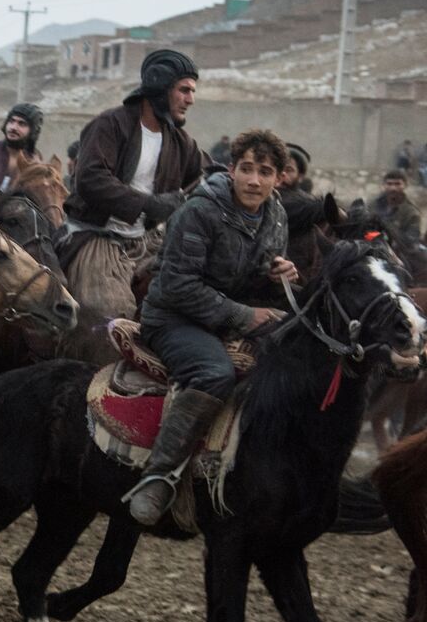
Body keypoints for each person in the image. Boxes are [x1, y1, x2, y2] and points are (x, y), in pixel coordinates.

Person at [124, 130, 294, 525]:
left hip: (228, 313)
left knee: (300, 346)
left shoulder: (276, 214)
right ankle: (159, 474)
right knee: (213, 373)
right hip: (173, 318)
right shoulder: (200, 211)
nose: (254, 180)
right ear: (231, 169)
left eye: (264, 172)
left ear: (279, 177)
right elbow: (179, 285)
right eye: (247, 169)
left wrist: (279, 275)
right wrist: (244, 316)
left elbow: (254, 275)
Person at [62, 49, 204, 319]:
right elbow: (90, 178)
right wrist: (149, 204)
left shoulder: (181, 142)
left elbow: (207, 174)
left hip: (147, 241)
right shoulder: (111, 124)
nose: (190, 100)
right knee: (111, 315)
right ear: (160, 86)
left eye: (192, 91)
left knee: (187, 300)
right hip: (98, 238)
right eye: (184, 90)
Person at [371, 169, 426, 275]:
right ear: (384, 185)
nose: (393, 188)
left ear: (404, 185)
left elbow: (410, 242)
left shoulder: (411, 212)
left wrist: (388, 228)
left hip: (400, 254)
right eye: (389, 184)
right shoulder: (373, 205)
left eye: (397, 184)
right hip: (372, 248)